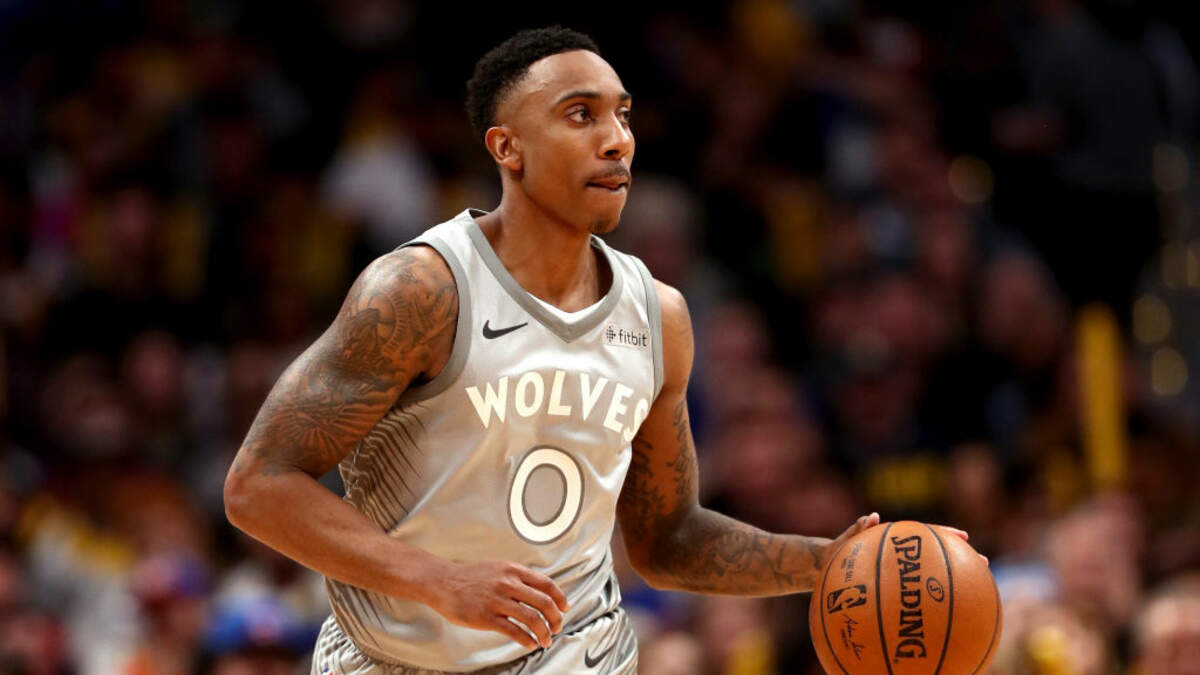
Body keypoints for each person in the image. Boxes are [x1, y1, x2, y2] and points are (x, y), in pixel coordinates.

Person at [223, 26, 964, 674]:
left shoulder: (658, 316)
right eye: (580, 115)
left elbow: (667, 539)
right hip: (394, 659)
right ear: (507, 147)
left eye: (623, 115)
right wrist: (439, 580)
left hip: (580, 655)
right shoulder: (422, 291)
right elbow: (259, 485)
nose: (617, 139)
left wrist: (823, 561)